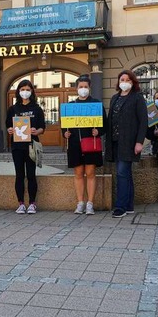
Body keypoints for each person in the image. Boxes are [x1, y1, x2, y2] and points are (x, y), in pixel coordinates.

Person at [105, 70, 148, 218]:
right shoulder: (114, 98)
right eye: (122, 79)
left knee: (122, 173)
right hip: (115, 142)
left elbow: (143, 122)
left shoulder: (137, 98)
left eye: (128, 80)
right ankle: (129, 205)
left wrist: (139, 142)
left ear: (133, 82)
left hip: (129, 142)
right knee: (126, 174)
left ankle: (120, 207)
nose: (124, 82)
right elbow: (110, 119)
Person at [63, 75, 107, 215]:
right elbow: (65, 126)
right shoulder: (70, 106)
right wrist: (65, 134)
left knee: (90, 172)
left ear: (90, 88)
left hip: (90, 144)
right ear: (76, 88)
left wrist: (98, 131)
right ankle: (80, 202)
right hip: (75, 144)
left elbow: (104, 125)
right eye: (80, 87)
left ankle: (90, 203)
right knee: (78, 173)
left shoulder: (96, 104)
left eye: (85, 87)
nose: (83, 89)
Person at [6, 79, 46, 214]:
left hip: (32, 146)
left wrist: (36, 131)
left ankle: (32, 203)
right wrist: (10, 130)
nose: (25, 92)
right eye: (22, 89)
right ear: (18, 91)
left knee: (31, 175)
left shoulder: (37, 108)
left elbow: (42, 128)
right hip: (17, 147)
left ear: (32, 92)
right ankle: (21, 203)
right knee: (19, 175)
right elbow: (8, 127)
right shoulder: (13, 109)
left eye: (28, 89)